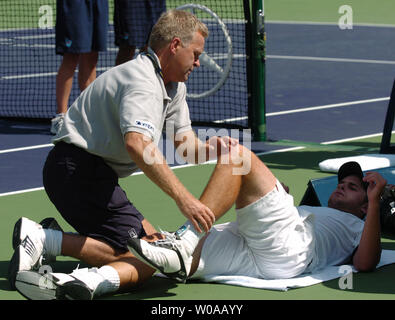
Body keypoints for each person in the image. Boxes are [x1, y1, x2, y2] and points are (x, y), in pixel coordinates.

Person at [9, 9, 234, 294]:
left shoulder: (173, 86)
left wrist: (212, 148)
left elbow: (185, 146)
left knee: (153, 247)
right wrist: (185, 200)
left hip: (91, 175)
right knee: (146, 261)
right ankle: (43, 240)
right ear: (175, 46)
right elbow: (137, 144)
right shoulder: (142, 81)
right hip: (77, 170)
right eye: (196, 53)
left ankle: (51, 240)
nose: (198, 63)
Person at [11, 143, 386, 300]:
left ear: (365, 206)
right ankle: (74, 276)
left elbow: (365, 263)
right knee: (157, 255)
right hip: (258, 256)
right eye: (344, 183)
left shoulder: (357, 225)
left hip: (288, 251)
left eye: (354, 188)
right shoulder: (319, 213)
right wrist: (275, 196)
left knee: (238, 156)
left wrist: (374, 201)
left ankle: (186, 240)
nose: (342, 189)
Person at [51, 0, 109, 134]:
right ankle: (60, 117)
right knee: (71, 57)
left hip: (98, 4)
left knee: (92, 57)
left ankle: (88, 113)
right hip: (76, 4)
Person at [114, 0, 166, 65]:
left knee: (152, 47)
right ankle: (120, 75)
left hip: (154, 4)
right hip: (132, 4)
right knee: (127, 47)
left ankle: (145, 74)